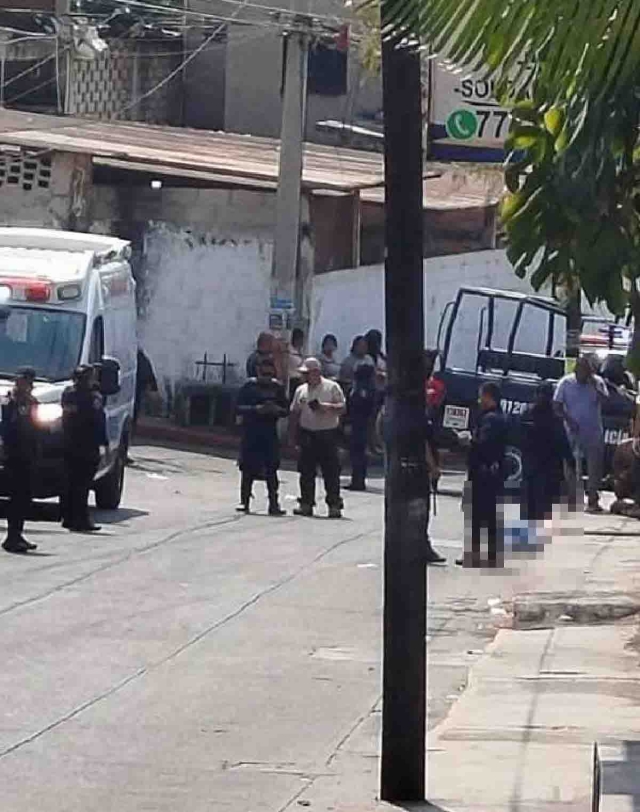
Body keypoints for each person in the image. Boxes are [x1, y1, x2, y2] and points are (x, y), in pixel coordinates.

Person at [456, 382, 507, 567]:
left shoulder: (491, 419)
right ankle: (491, 554)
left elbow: (484, 445)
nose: (479, 400)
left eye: (481, 396)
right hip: (493, 472)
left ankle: (474, 554)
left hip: (482, 472)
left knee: (476, 514)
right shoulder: (496, 417)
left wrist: (469, 441)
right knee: (490, 514)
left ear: (488, 397)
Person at [289, 357, 346, 518]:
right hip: (308, 433)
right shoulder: (301, 390)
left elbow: (342, 408)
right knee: (306, 471)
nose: (304, 377)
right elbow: (295, 413)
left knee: (331, 472)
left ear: (316, 372)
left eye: (307, 373)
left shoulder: (332, 387)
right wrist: (292, 437)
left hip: (327, 433)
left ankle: (334, 505)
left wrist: (325, 408)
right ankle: (306, 503)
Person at [554, 355, 608, 513]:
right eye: (579, 372)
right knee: (570, 465)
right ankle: (572, 498)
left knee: (594, 466)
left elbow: (607, 401)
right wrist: (568, 419)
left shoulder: (597, 382)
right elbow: (556, 405)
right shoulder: (565, 383)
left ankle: (593, 499)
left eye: (585, 373)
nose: (582, 376)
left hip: (593, 431)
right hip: (572, 431)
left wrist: (595, 386)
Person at [235, 355, 289, 515]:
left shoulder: (277, 388)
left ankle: (274, 503)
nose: (266, 377)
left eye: (269, 374)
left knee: (272, 468)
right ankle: (244, 501)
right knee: (247, 468)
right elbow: (238, 407)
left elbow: (286, 410)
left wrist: (276, 410)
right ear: (257, 371)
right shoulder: (249, 386)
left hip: (269, 432)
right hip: (251, 431)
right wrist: (256, 409)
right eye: (263, 373)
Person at [61, 365, 109, 533]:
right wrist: (104, 444)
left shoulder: (69, 394)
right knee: (82, 484)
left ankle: (68, 517)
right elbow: (98, 421)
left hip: (70, 443)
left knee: (70, 482)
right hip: (86, 445)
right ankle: (80, 519)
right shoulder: (91, 397)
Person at [520, 382, 575, 524]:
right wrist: (570, 461)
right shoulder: (550, 418)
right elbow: (563, 442)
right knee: (539, 505)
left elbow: (517, 437)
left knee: (533, 504)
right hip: (544, 468)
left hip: (539, 468)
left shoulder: (529, 414)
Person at [1, 367, 39, 553]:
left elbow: (36, 427)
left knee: (24, 497)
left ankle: (17, 534)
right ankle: (12, 537)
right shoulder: (11, 402)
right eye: (24, 381)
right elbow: (8, 430)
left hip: (28, 454)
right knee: (17, 497)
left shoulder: (30, 402)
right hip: (15, 455)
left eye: (30, 382)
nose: (28, 385)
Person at [345, 363, 376, 491]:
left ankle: (358, 481)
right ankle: (356, 478)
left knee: (358, 452)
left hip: (360, 423)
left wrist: (350, 422)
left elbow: (360, 406)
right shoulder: (357, 386)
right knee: (355, 452)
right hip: (357, 422)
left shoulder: (364, 388)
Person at [128, 348, 159, 465]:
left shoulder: (136, 355)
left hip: (132, 393)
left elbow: (147, 373)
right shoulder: (134, 354)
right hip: (128, 392)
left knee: (130, 420)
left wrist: (152, 388)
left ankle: (124, 449)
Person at [287, 328, 305, 400]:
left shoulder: (300, 351)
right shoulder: (289, 351)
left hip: (301, 380)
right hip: (293, 381)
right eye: (300, 339)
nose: (302, 341)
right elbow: (298, 364)